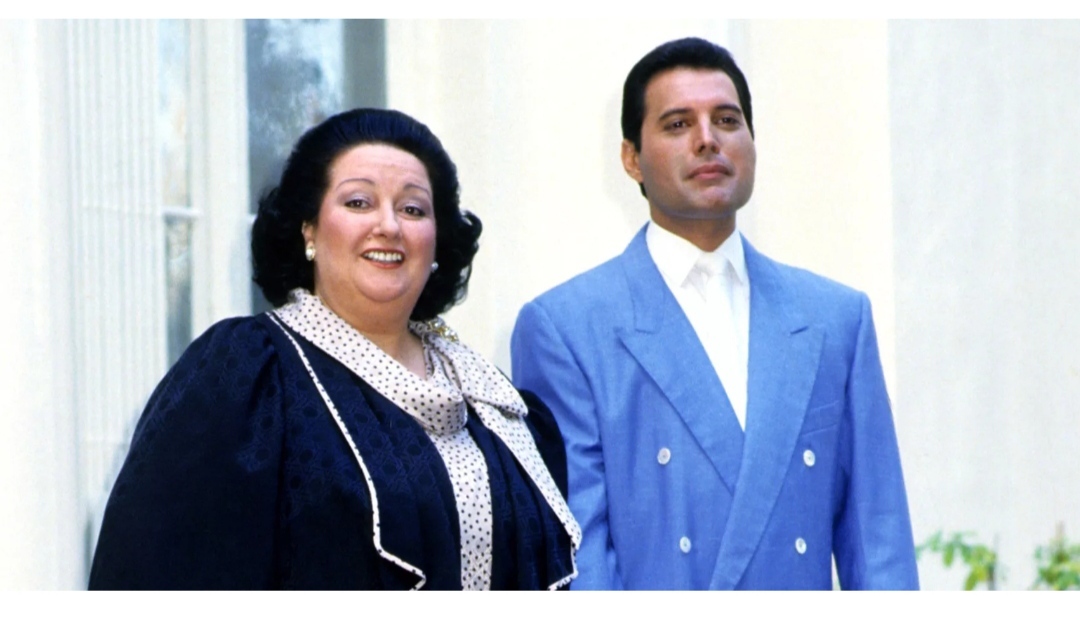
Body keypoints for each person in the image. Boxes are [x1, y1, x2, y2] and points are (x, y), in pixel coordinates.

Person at [89, 108, 580, 590]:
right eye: (359, 202)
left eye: (413, 209)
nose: (389, 225)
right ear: (309, 229)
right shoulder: (246, 375)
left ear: (437, 243)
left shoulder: (492, 401)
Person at [510, 37, 918, 590]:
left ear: (752, 142)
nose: (708, 140)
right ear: (631, 158)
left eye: (727, 120)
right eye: (678, 124)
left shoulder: (836, 320)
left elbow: (880, 548)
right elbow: (579, 559)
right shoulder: (565, 329)